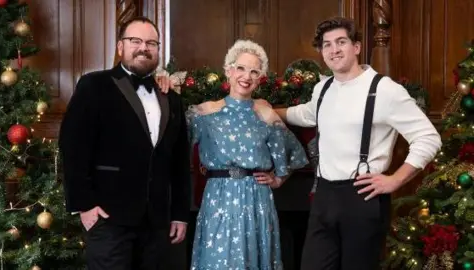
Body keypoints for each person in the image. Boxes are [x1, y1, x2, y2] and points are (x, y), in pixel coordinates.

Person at [273, 17, 442, 269]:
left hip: (362, 197)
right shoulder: (324, 87)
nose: (334, 50)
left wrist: (395, 179)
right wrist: (265, 109)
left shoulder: (384, 90)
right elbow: (307, 114)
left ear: (357, 47)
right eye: (327, 45)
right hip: (324, 196)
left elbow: (428, 137)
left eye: (341, 42)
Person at [59, 16, 191, 270]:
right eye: (136, 41)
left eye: (151, 43)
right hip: (108, 218)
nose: (144, 47)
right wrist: (84, 206)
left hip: (156, 222)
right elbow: (72, 147)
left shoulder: (171, 98)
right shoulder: (94, 85)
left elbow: (178, 161)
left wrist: (179, 214)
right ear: (120, 47)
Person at [186, 39, 309, 269]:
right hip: (218, 199)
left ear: (260, 78)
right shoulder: (203, 113)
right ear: (228, 71)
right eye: (241, 68)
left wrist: (279, 178)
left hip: (257, 200)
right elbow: (173, 151)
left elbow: (295, 154)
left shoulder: (265, 114)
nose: (246, 76)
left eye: (254, 71)